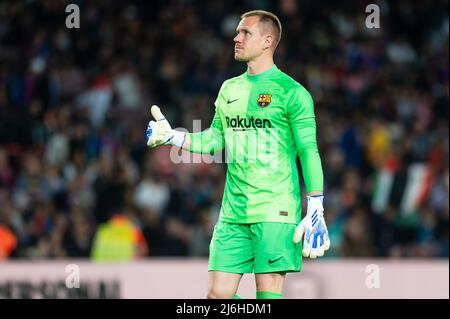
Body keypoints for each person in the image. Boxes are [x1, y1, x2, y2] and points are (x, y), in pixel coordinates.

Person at [146, 10, 330, 299]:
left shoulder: (292, 93)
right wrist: (174, 136)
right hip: (232, 213)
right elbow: (215, 139)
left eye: (246, 33)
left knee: (267, 297)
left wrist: (316, 205)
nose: (236, 37)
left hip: (275, 210)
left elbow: (309, 150)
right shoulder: (229, 88)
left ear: (268, 40)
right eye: (237, 32)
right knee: (218, 296)